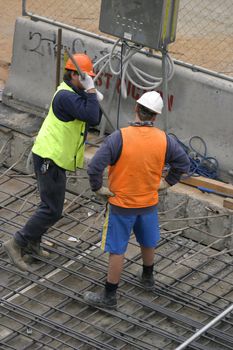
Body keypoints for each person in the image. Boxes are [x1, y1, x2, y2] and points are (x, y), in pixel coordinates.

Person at [83, 91, 190, 308]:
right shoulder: (164, 140)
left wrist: (98, 188)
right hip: (148, 203)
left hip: (122, 205)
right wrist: (167, 182)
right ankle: (148, 278)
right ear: (155, 117)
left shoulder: (119, 138)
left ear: (136, 109)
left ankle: (110, 295)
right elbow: (183, 164)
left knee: (117, 249)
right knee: (148, 240)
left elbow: (94, 167)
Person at [3, 53, 102, 271]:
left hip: (54, 158)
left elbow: (94, 114)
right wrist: (92, 92)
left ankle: (32, 243)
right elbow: (93, 117)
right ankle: (16, 243)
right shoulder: (66, 97)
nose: (88, 80)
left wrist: (91, 94)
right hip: (50, 158)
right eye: (85, 77)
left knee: (50, 206)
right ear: (74, 74)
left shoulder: (73, 93)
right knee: (52, 209)